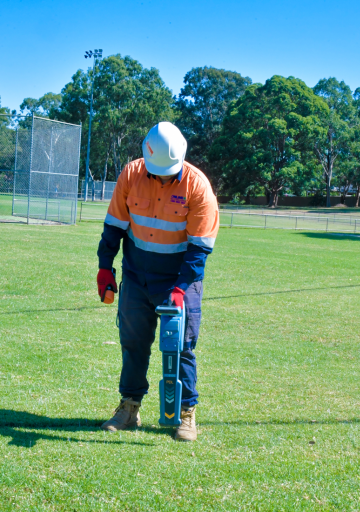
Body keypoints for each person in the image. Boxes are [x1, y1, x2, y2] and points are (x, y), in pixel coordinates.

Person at [95, 122, 219, 442]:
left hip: (179, 278)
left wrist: (180, 288)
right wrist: (105, 267)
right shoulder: (131, 175)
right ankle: (130, 407)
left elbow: (199, 248)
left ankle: (187, 413)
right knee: (133, 342)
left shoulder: (197, 186)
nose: (163, 175)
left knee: (181, 346)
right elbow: (114, 225)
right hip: (137, 274)